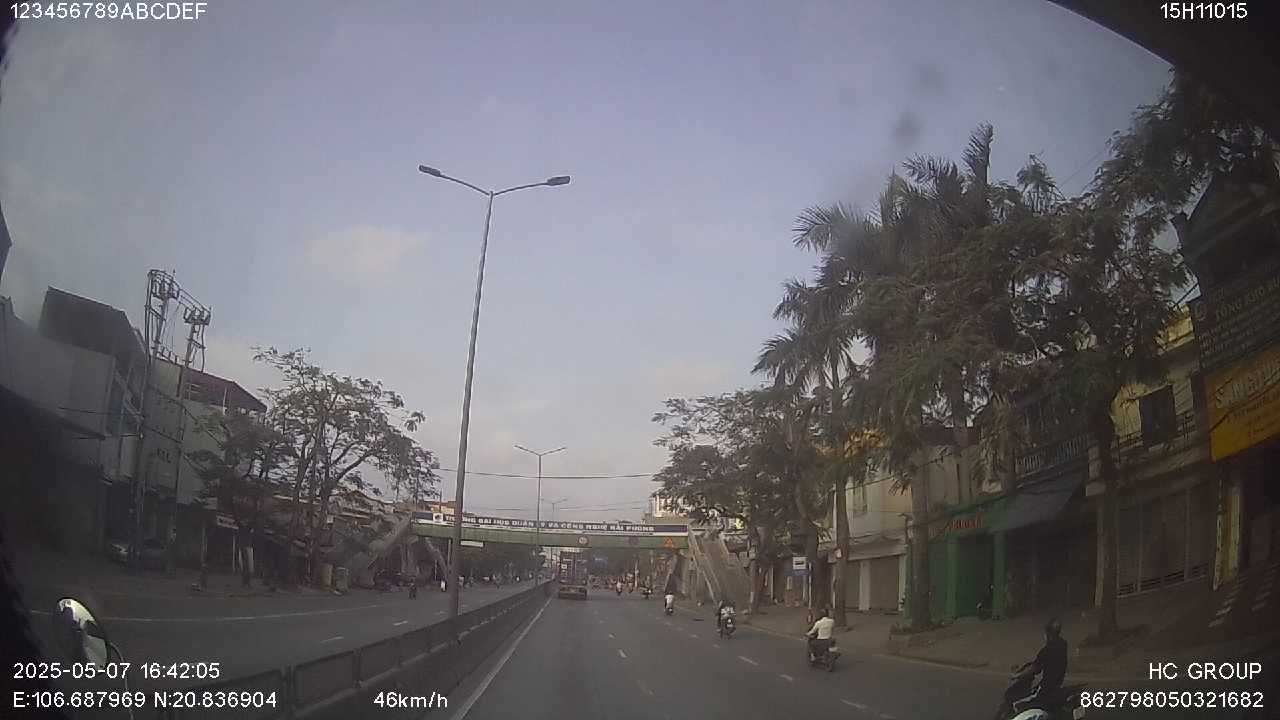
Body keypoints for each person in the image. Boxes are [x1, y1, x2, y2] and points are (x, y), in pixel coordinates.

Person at [1003, 618, 1068, 714]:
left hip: (1046, 687)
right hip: (1057, 684)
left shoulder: (1046, 650)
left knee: (1018, 704)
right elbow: (1044, 664)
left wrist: (1017, 675)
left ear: (1048, 634)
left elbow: (1034, 668)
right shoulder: (1063, 644)